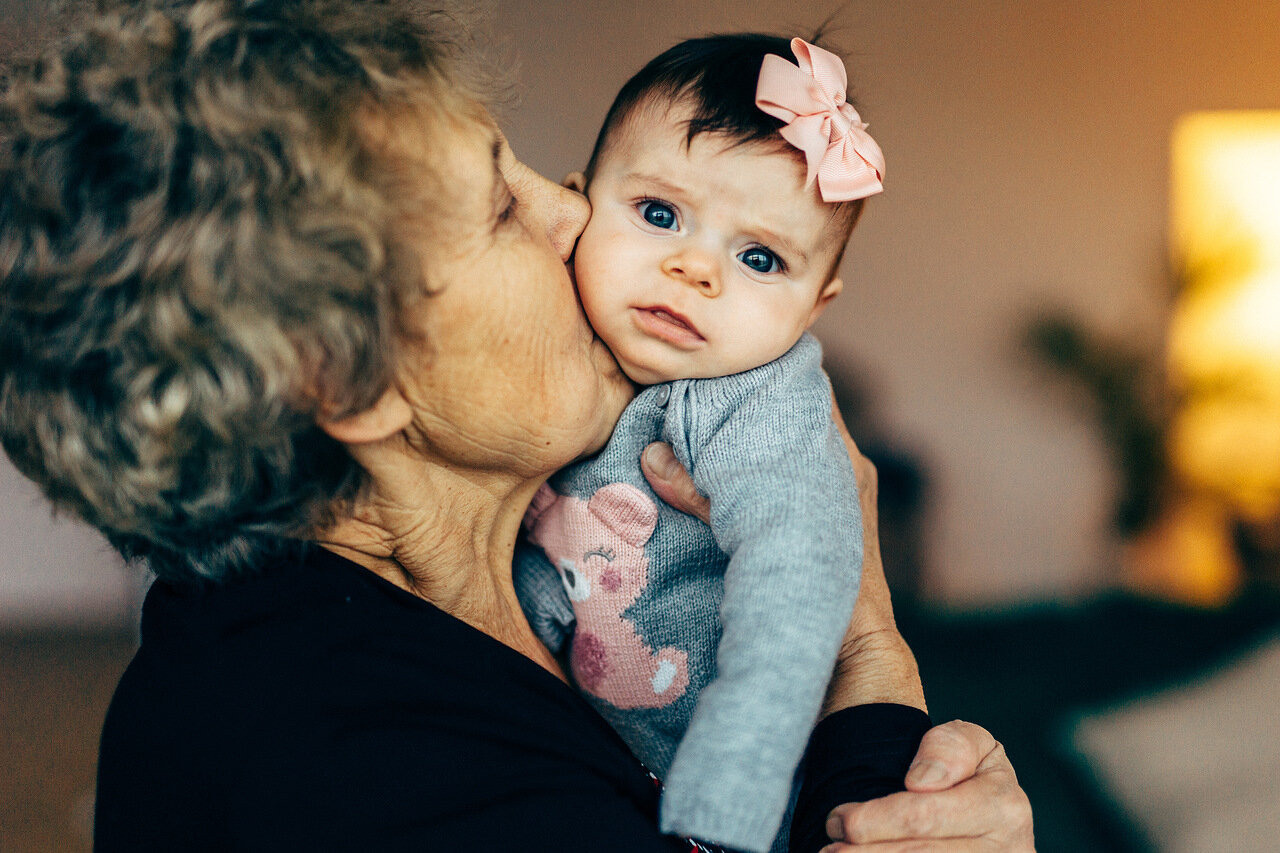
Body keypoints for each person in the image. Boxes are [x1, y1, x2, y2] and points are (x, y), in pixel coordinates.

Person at [0, 1, 1033, 851]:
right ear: (349, 378)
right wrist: (865, 653)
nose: (577, 214)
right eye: (502, 209)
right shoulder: (344, 761)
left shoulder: (496, 612)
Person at [514, 34, 887, 853]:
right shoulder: (536, 333)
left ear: (813, 308)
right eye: (659, 214)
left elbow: (798, 564)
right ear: (574, 208)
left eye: (759, 256)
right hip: (580, 761)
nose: (695, 267)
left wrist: (734, 779)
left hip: (732, 800)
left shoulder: (758, 395)